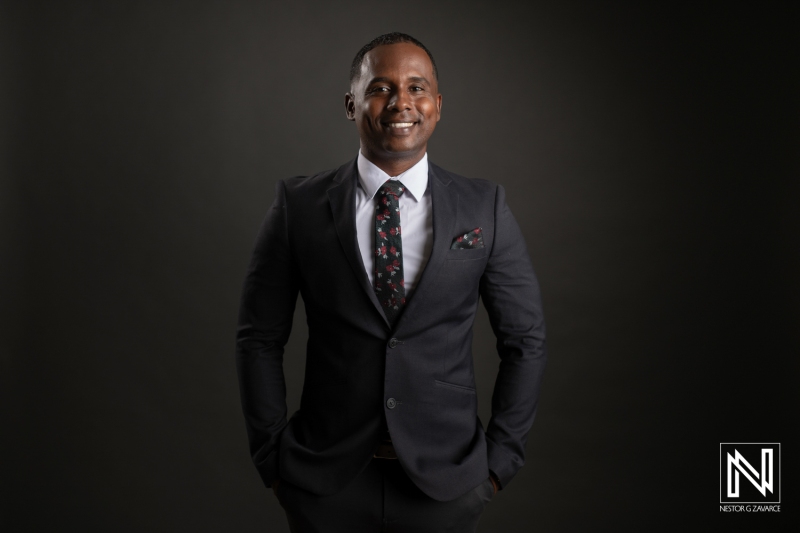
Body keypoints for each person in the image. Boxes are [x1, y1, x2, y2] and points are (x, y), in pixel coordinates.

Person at [235, 32, 546, 532]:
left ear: (437, 106)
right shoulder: (298, 207)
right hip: (324, 483)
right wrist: (273, 458)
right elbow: (259, 339)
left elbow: (525, 339)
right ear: (350, 103)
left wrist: (497, 464)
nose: (401, 102)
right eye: (381, 88)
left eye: (417, 87)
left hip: (446, 486)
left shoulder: (483, 206)